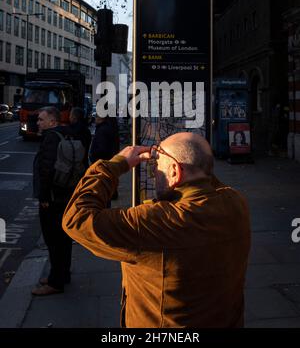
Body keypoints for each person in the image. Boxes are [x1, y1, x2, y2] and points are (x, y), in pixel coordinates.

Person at [62, 132, 251, 327]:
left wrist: (115, 165)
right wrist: (190, 159)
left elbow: (77, 218)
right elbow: (204, 173)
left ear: (175, 172)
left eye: (156, 166)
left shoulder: (156, 221)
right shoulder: (236, 202)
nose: (154, 173)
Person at [32, 107, 73, 296]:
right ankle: (62, 274)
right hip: (64, 195)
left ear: (52, 122)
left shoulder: (50, 139)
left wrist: (44, 197)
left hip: (53, 198)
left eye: (41, 120)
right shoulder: (66, 135)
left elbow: (46, 170)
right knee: (63, 239)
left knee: (53, 240)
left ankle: (55, 283)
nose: (38, 123)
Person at [89, 115, 120, 199]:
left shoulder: (102, 130)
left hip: (102, 160)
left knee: (104, 180)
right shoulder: (110, 127)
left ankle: (109, 194)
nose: (95, 119)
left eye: (96, 117)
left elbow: (102, 148)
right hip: (109, 159)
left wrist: (94, 155)